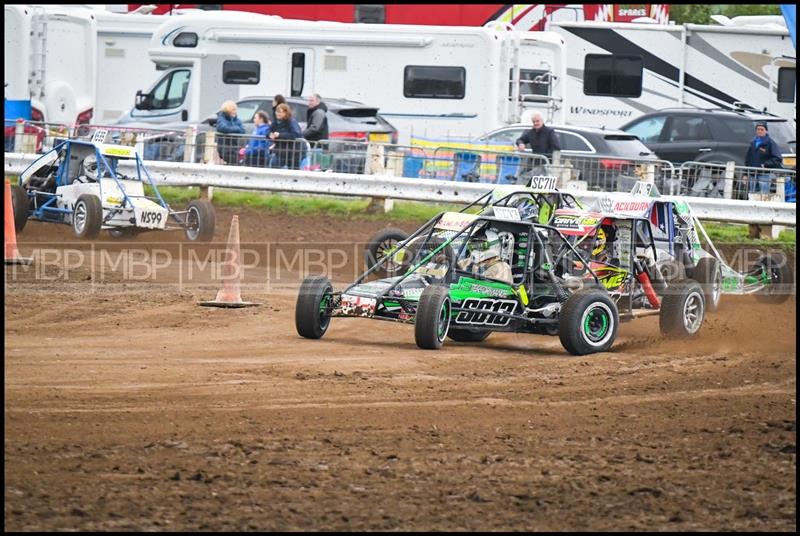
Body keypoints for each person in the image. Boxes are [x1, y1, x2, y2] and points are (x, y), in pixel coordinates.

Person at [745, 121, 783, 194]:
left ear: (766, 130)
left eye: (762, 129)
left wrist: (765, 165)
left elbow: (778, 158)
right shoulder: (753, 142)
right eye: (758, 129)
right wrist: (745, 174)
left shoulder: (770, 143)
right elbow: (748, 159)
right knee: (751, 195)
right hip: (752, 175)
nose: (759, 131)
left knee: (764, 196)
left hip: (764, 175)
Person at [268, 103, 305, 169]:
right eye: (276, 111)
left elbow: (295, 135)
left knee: (293, 171)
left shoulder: (291, 122)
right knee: (274, 164)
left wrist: (280, 135)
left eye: (280, 112)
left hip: (294, 152)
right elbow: (268, 130)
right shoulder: (276, 122)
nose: (277, 113)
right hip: (281, 152)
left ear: (285, 113)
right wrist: (269, 135)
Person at [215, 100, 245, 165]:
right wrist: (237, 129)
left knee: (235, 163)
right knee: (233, 162)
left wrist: (234, 130)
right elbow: (223, 128)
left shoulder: (237, 120)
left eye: (235, 110)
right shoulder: (221, 119)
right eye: (233, 110)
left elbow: (243, 130)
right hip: (225, 148)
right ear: (228, 111)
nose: (235, 112)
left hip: (235, 148)